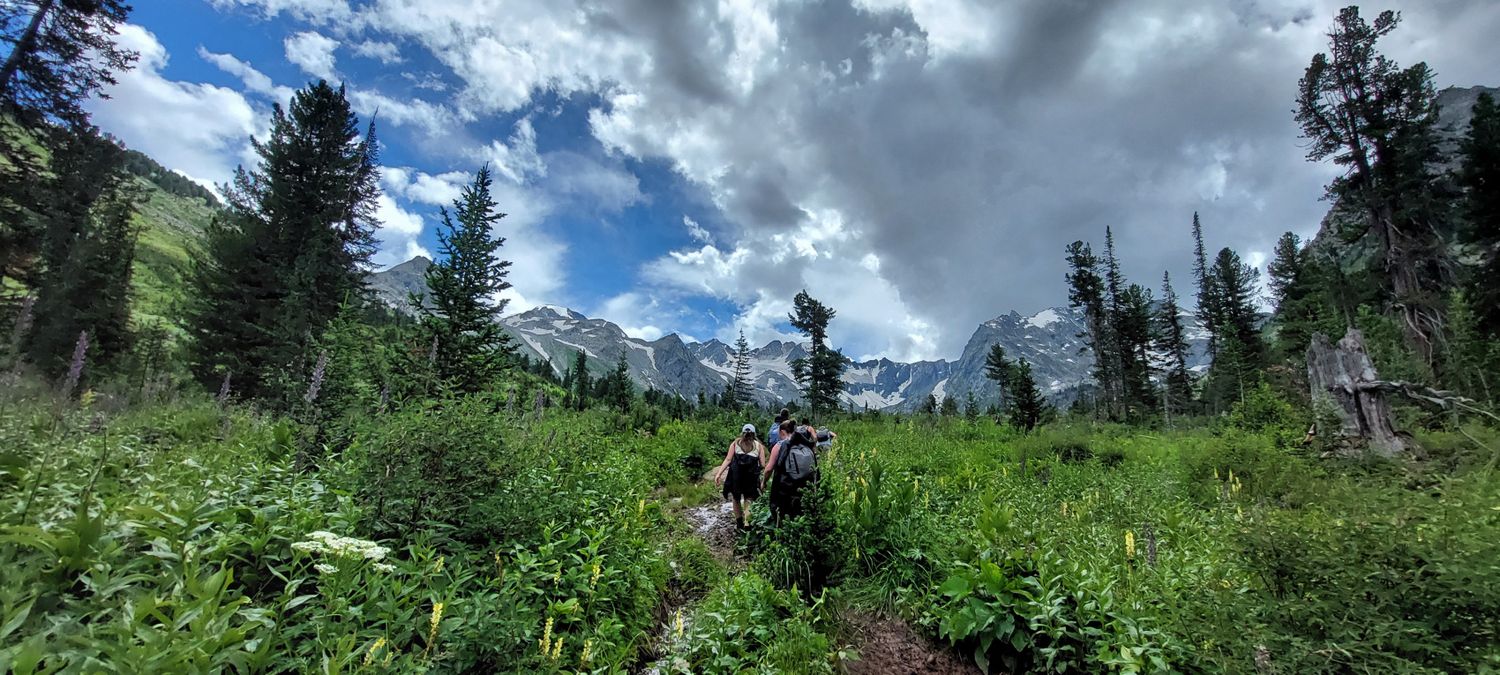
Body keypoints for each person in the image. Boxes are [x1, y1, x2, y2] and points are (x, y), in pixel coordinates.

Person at [761, 420, 818, 520]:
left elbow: (769, 469)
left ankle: (783, 532)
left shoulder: (779, 446)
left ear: (782, 432)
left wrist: (764, 482)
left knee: (784, 515)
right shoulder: (805, 444)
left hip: (785, 488)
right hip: (805, 485)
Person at [714, 423, 767, 529]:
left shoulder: (735, 444)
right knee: (749, 498)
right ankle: (748, 523)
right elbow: (762, 464)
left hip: (736, 476)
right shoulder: (759, 446)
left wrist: (719, 473)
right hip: (751, 477)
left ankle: (739, 523)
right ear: (754, 434)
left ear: (742, 433)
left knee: (736, 498)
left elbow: (728, 460)